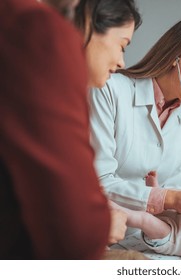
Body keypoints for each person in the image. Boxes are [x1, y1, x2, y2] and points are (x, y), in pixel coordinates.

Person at [0, 0, 142, 259]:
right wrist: (101, 225)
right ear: (88, 21)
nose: (122, 62)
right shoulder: (36, 30)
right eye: (122, 45)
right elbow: (74, 229)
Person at [89, 14, 181, 250]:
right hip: (94, 237)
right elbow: (95, 182)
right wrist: (166, 197)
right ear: (177, 56)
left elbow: (177, 209)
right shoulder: (108, 91)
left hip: (149, 245)